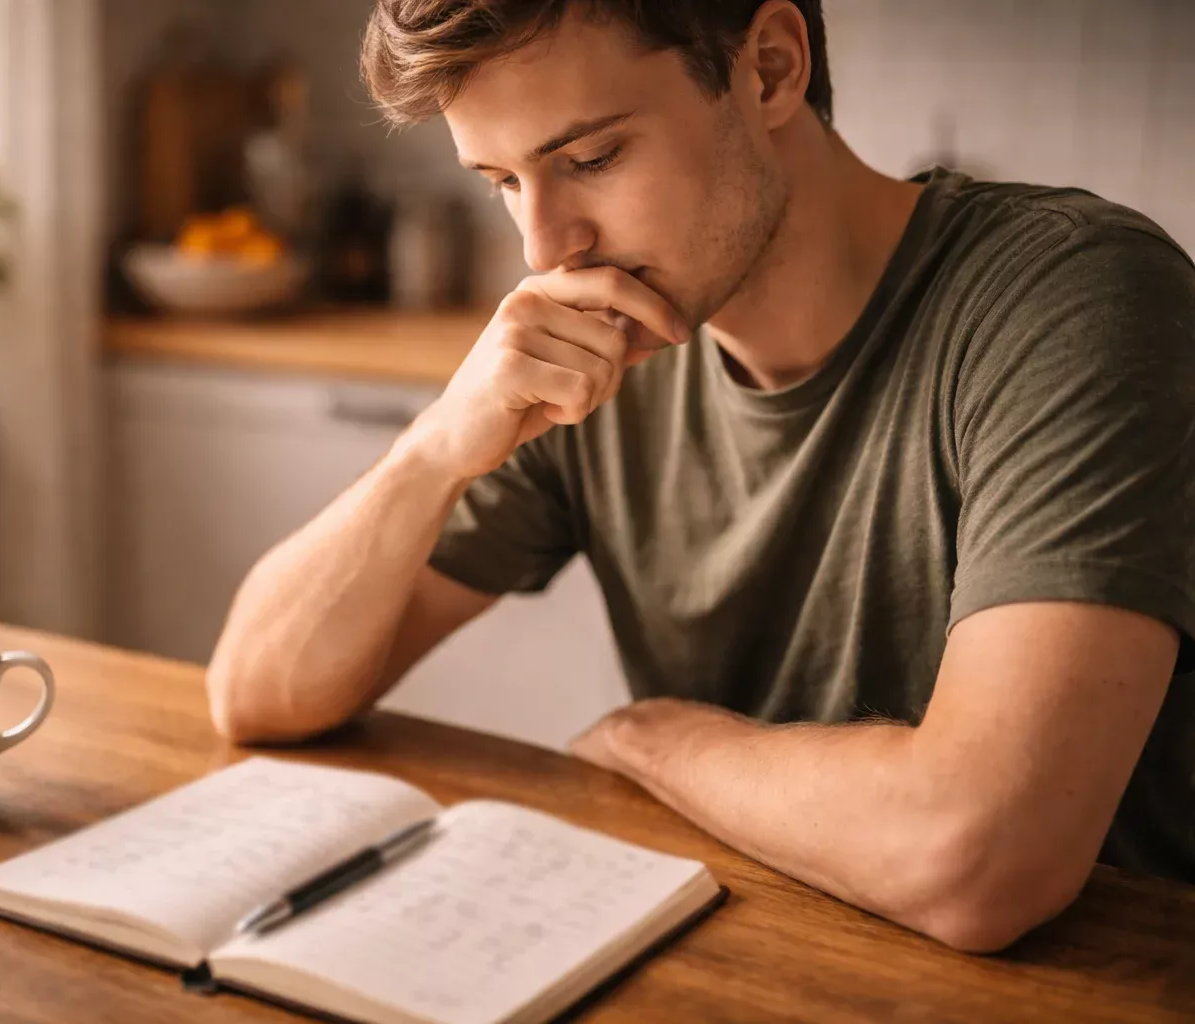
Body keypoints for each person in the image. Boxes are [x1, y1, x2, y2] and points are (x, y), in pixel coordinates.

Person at [205, 0, 1195, 952]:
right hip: (754, 964)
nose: (543, 248)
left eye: (590, 157)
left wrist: (653, 742)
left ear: (769, 67)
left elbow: (981, 857)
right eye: (502, 182)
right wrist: (434, 448)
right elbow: (256, 692)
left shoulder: (1080, 304)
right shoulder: (598, 341)